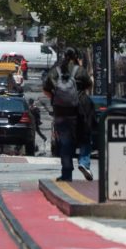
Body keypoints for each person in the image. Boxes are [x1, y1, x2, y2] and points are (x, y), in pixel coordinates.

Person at [43, 48, 92, 182]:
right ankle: (84, 163)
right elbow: (89, 85)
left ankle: (66, 174)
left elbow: (45, 89)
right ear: (76, 57)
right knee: (85, 139)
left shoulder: (55, 71)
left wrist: (57, 99)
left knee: (65, 143)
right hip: (80, 111)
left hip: (61, 112)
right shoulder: (80, 70)